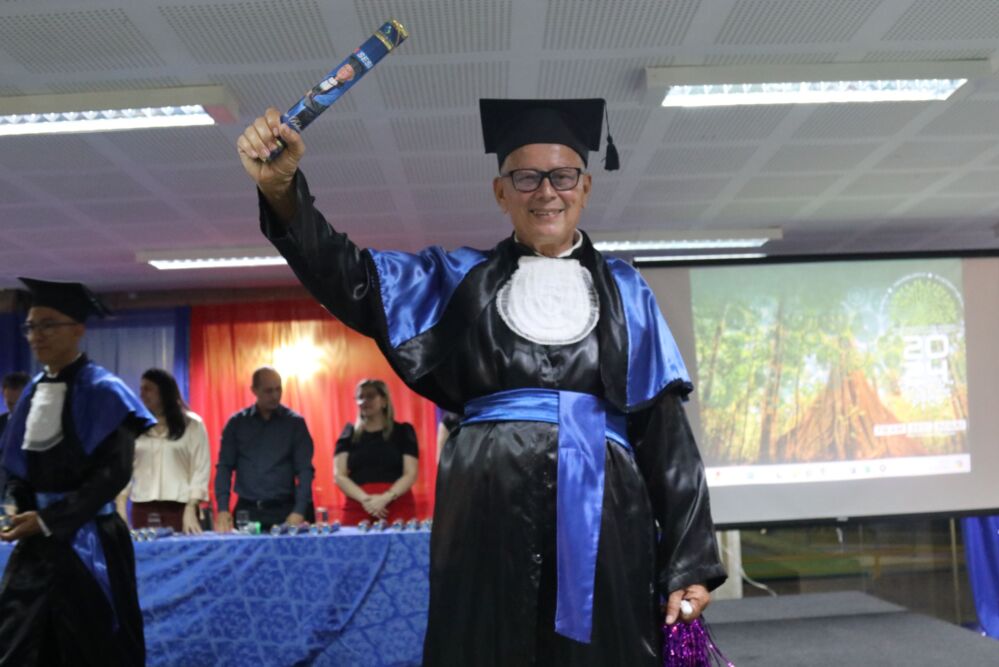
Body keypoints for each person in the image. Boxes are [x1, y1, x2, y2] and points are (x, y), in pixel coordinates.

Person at [238, 98, 727, 665]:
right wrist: (282, 191)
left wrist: (690, 561)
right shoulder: (455, 281)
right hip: (484, 509)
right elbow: (351, 277)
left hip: (605, 513)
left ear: (586, 187)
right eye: (526, 177)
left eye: (563, 176)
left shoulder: (627, 291)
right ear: (501, 192)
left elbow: (666, 436)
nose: (546, 192)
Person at [0, 277, 155, 666]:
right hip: (39, 544)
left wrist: (49, 519)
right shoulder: (33, 392)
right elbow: (20, 467)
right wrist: (17, 503)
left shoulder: (105, 390)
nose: (37, 336)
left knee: (95, 644)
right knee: (22, 642)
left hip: (91, 539)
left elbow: (113, 474)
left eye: (48, 325)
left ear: (78, 330)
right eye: (31, 326)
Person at [214, 366, 315, 532]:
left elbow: (305, 470)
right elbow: (224, 467)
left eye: (278, 389)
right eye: (268, 391)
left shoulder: (294, 424)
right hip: (248, 511)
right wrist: (223, 508)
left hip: (285, 510)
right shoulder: (237, 424)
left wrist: (299, 510)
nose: (275, 396)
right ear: (254, 390)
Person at [115, 368, 210, 534]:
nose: (142, 394)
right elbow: (124, 468)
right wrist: (120, 505)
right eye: (141, 389)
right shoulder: (133, 425)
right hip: (143, 508)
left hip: (180, 509)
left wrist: (191, 506)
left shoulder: (193, 425)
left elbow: (200, 468)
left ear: (164, 392)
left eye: (148, 389)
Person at [334, 379, 418, 524]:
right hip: (358, 503)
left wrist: (385, 498)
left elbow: (410, 473)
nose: (364, 401)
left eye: (370, 396)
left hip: (397, 502)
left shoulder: (403, 431)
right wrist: (366, 500)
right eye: (360, 397)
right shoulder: (348, 433)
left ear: (384, 401)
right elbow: (339, 475)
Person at [0, 372, 30, 495]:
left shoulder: (40, 426)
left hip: (28, 491)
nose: (16, 408)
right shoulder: (1, 422)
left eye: (20, 403)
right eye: (11, 403)